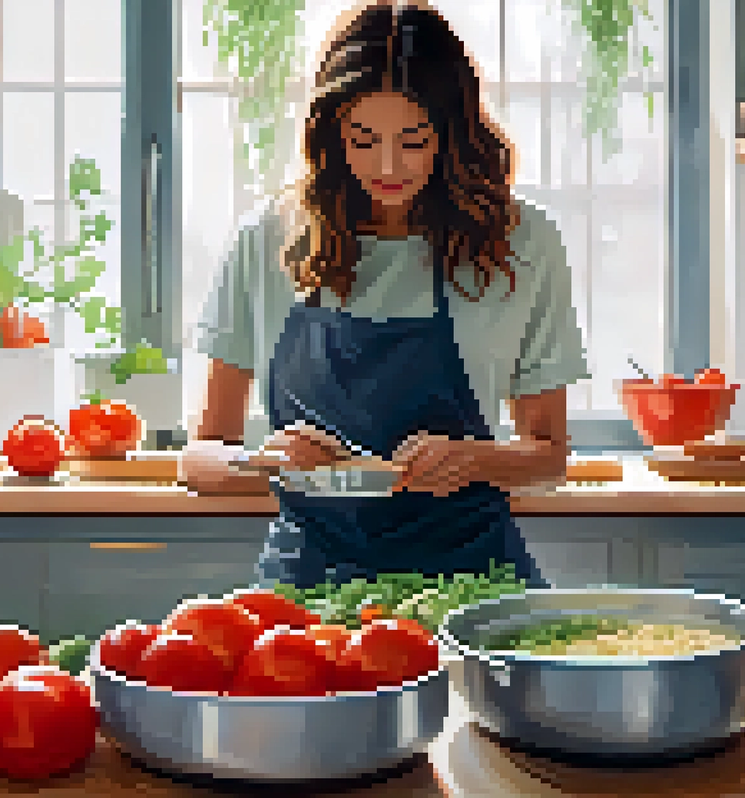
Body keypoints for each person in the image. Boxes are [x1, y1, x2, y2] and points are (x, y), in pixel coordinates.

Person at [184, 0, 590, 589]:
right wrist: (264, 462)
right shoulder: (268, 239)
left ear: (452, 133)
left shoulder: (521, 240)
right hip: (307, 595)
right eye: (364, 139)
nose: (388, 164)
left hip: (474, 582)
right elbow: (200, 457)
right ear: (332, 133)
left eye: (414, 139)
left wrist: (478, 458)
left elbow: (549, 453)